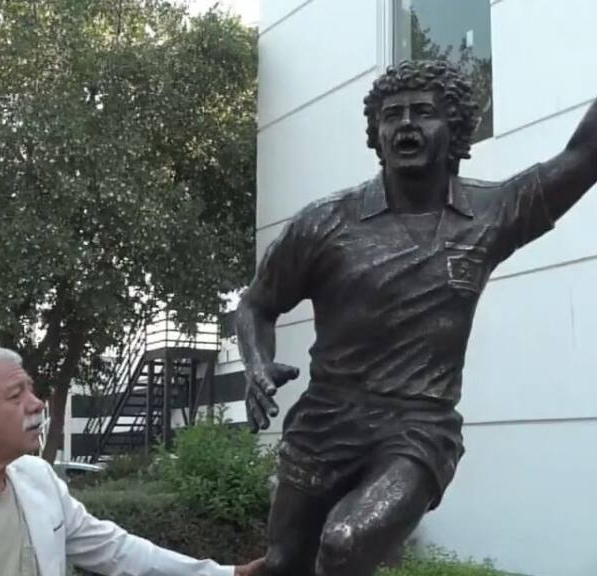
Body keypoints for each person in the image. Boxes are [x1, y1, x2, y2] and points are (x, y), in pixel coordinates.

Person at [236, 59, 597, 576]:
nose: (405, 125)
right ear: (376, 135)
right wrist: (256, 365)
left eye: (423, 113)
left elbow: (584, 155)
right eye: (392, 116)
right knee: (283, 563)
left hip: (417, 428)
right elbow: (256, 304)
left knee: (344, 544)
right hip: (325, 422)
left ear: (454, 130)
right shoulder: (324, 222)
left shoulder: (492, 213)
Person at [0, 347, 265, 576]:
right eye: (16, 395)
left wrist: (225, 575)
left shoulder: (38, 479)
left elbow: (116, 551)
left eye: (32, 390)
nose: (36, 404)